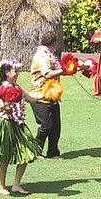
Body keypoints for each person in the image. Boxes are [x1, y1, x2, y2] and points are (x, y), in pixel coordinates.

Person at [0, 59, 41, 195]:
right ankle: (2, 186)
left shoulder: (17, 87)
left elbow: (30, 99)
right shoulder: (2, 88)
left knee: (26, 154)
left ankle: (16, 184)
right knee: (5, 156)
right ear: (7, 73)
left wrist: (44, 95)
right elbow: (0, 105)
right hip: (5, 124)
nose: (18, 74)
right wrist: (7, 105)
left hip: (18, 124)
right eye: (15, 71)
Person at [29, 31, 65, 160]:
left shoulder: (49, 54)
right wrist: (64, 70)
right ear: (54, 43)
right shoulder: (42, 56)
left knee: (56, 126)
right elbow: (48, 74)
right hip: (39, 95)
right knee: (47, 125)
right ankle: (35, 150)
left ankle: (53, 152)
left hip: (52, 95)